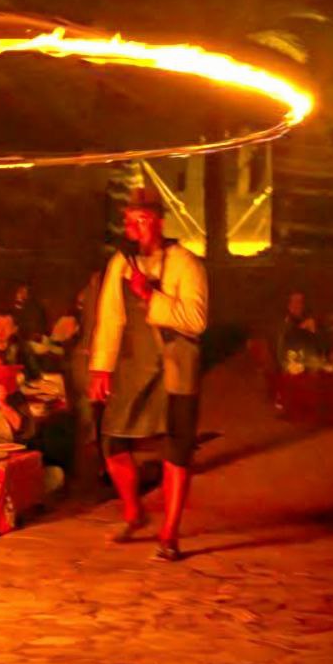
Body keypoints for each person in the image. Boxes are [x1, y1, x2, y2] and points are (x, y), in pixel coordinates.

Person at [89, 186, 208, 562]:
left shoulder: (187, 264)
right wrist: (101, 366)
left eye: (139, 221)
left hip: (175, 370)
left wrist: (149, 297)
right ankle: (133, 512)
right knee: (112, 442)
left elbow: (196, 320)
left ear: (157, 222)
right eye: (128, 222)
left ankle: (169, 533)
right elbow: (110, 317)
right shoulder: (120, 263)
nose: (132, 229)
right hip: (133, 367)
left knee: (177, 449)